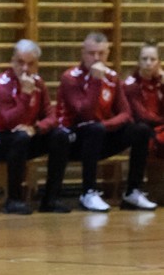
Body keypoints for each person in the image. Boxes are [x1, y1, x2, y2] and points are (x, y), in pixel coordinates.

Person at [57, 31, 157, 212]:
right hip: (74, 140)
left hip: (101, 134)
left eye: (101, 53)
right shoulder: (70, 77)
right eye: (91, 53)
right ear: (83, 53)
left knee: (141, 130)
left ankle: (132, 191)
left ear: (108, 54)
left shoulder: (112, 77)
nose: (96, 58)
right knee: (94, 128)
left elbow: (126, 113)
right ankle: (88, 192)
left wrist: (106, 125)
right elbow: (84, 113)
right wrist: (96, 82)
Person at [0, 39, 71, 214]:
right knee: (20, 138)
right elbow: (9, 122)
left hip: (21, 137)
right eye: (20, 62)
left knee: (59, 136)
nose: (25, 68)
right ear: (12, 61)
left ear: (37, 65)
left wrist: (36, 128)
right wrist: (25, 94)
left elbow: (52, 117)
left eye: (30, 64)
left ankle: (51, 199)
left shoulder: (38, 83)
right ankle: (13, 200)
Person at [123, 40, 164, 158]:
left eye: (152, 59)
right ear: (138, 61)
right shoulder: (131, 85)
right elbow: (142, 117)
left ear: (159, 62)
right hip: (143, 130)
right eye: (144, 59)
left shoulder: (161, 82)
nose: (148, 63)